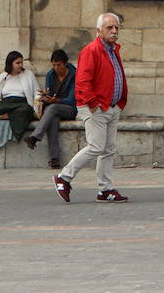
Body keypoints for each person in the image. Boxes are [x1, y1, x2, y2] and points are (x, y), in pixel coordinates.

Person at [53, 13, 128, 203]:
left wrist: (119, 103)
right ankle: (64, 177)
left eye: (116, 28)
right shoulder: (91, 50)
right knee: (96, 146)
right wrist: (93, 104)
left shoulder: (113, 50)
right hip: (96, 107)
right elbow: (83, 81)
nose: (114, 31)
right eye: (109, 27)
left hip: (111, 106)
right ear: (98, 31)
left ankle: (105, 189)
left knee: (108, 149)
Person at [25, 49, 77, 168]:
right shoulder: (50, 75)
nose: (56, 68)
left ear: (65, 63)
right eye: (54, 65)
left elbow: (72, 99)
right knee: (53, 118)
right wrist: (45, 95)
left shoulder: (74, 74)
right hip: (53, 108)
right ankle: (54, 159)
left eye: (58, 65)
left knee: (53, 108)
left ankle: (35, 137)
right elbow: (50, 93)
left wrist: (56, 101)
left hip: (70, 109)